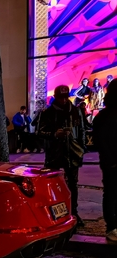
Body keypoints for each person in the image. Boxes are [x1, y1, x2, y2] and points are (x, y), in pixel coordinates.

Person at [37, 85, 86, 227]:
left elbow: (81, 130)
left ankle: (73, 212)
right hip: (55, 152)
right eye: (61, 97)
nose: (64, 100)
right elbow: (39, 132)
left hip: (72, 151)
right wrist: (54, 134)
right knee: (52, 184)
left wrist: (81, 148)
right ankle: (53, 213)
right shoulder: (48, 112)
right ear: (56, 97)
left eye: (66, 97)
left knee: (73, 184)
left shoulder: (76, 111)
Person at [92, 79, 117, 242]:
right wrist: (111, 161)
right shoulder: (105, 116)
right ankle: (112, 227)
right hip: (112, 163)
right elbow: (100, 141)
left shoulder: (105, 115)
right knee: (112, 193)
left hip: (112, 161)